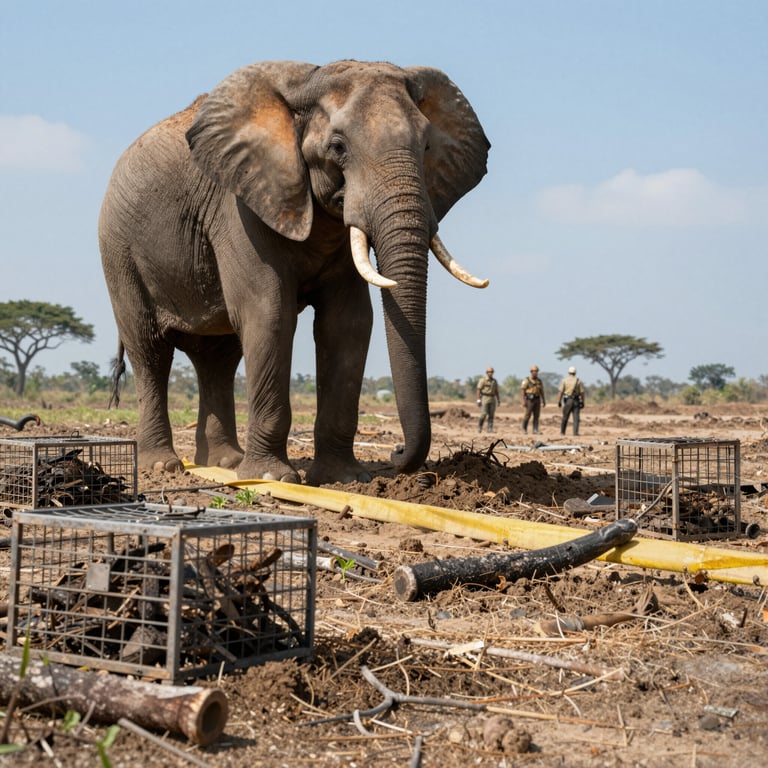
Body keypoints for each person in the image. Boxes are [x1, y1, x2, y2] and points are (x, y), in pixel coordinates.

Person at [557, 366, 585, 436]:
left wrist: (559, 401)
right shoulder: (578, 381)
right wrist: (583, 402)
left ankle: (562, 432)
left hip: (568, 400)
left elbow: (560, 392)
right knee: (576, 418)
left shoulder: (564, 380)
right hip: (576, 400)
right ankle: (575, 433)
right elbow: (582, 392)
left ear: (569, 372)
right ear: (575, 373)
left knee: (565, 417)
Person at [520, 365, 546, 434]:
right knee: (527, 415)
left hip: (537, 399)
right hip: (529, 400)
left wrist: (543, 400)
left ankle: (535, 430)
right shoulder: (527, 380)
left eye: (536, 371)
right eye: (534, 371)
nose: (535, 373)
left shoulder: (539, 381)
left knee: (536, 415)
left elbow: (541, 391)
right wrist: (523, 401)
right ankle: (524, 429)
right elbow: (522, 391)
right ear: (531, 372)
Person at [476, 366, 500, 433]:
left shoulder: (494, 381)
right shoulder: (483, 380)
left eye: (492, 372)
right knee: (484, 413)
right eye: (489, 372)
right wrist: (478, 399)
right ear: (486, 373)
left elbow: (496, 391)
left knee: (491, 414)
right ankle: (480, 427)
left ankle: (490, 429)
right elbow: (478, 390)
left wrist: (498, 399)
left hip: (492, 398)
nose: (491, 373)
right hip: (485, 397)